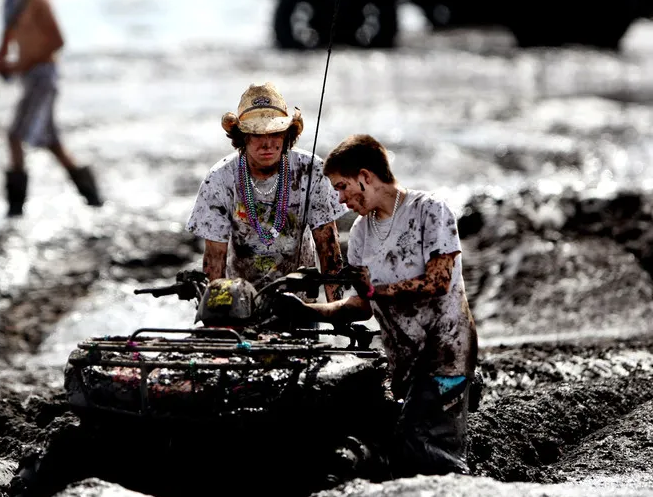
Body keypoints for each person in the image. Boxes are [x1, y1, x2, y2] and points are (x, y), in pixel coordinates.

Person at [291, 134, 479, 476]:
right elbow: (362, 305)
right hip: (404, 361)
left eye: (343, 186)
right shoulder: (361, 233)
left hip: (446, 353)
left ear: (366, 176)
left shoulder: (431, 211)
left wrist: (377, 292)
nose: (341, 198)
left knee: (422, 445)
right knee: (400, 445)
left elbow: (437, 283)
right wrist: (306, 310)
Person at [186, 82, 348, 303]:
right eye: (257, 134)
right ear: (243, 136)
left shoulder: (311, 170)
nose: (267, 143)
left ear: (287, 134)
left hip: (301, 303)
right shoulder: (219, 178)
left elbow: (329, 250)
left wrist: (338, 311)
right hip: (239, 302)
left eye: (276, 132)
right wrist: (216, 319)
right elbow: (215, 260)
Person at [0, 0, 102, 217]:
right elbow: (5, 42)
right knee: (52, 143)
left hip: (43, 75)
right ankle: (93, 199)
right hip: (29, 76)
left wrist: (20, 64)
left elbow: (57, 41)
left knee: (14, 135)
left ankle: (15, 209)